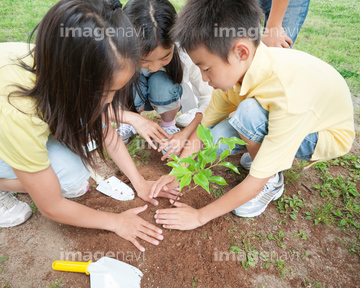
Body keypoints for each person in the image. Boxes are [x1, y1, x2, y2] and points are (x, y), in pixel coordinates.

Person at [150, 0, 354, 230]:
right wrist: (178, 173)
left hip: (324, 133)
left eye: (206, 69)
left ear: (241, 52)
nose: (204, 79)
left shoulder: (287, 97)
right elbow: (203, 130)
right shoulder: (237, 73)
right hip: (284, 112)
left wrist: (199, 216)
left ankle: (273, 180)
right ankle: (260, 148)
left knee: (248, 115)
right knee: (213, 144)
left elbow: (254, 181)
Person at [0, 0, 178, 252]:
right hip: (7, 122)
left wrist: (139, 182)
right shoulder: (19, 111)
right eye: (105, 92)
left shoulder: (64, 63)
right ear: (75, 78)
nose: (108, 103)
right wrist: (116, 221)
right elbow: (51, 206)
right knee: (64, 183)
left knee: (75, 175)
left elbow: (104, 129)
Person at [116, 0, 212, 160]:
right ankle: (128, 123)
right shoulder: (116, 54)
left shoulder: (186, 54)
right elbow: (96, 103)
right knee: (134, 82)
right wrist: (129, 117)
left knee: (161, 81)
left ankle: (168, 126)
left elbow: (208, 98)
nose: (153, 67)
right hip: (132, 102)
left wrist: (186, 133)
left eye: (165, 56)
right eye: (144, 60)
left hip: (165, 99)